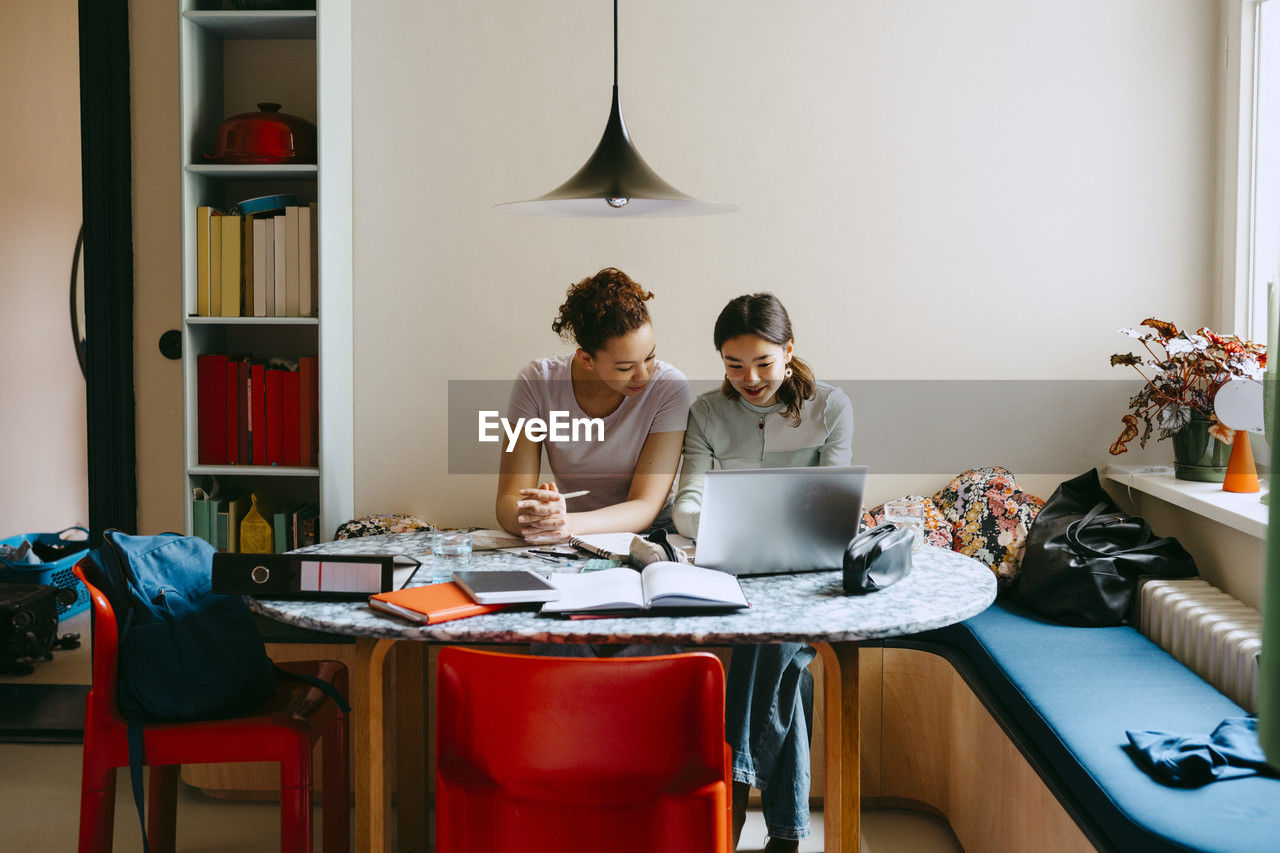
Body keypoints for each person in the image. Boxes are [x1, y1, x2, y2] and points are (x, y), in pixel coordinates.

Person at [673, 292, 853, 852]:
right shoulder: (706, 412)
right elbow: (686, 503)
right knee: (786, 665)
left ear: (789, 351)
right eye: (733, 364)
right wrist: (726, 528)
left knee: (769, 641)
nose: (748, 378)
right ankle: (787, 833)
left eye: (763, 363)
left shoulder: (830, 407)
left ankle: (735, 794)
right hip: (729, 564)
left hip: (802, 570)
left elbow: (832, 503)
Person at [496, 267, 691, 543]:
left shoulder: (669, 388)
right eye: (625, 367)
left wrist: (566, 523)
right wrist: (534, 515)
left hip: (652, 537)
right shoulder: (537, 383)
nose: (643, 376)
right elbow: (508, 500)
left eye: (650, 357)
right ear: (587, 359)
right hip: (573, 540)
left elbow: (645, 506)